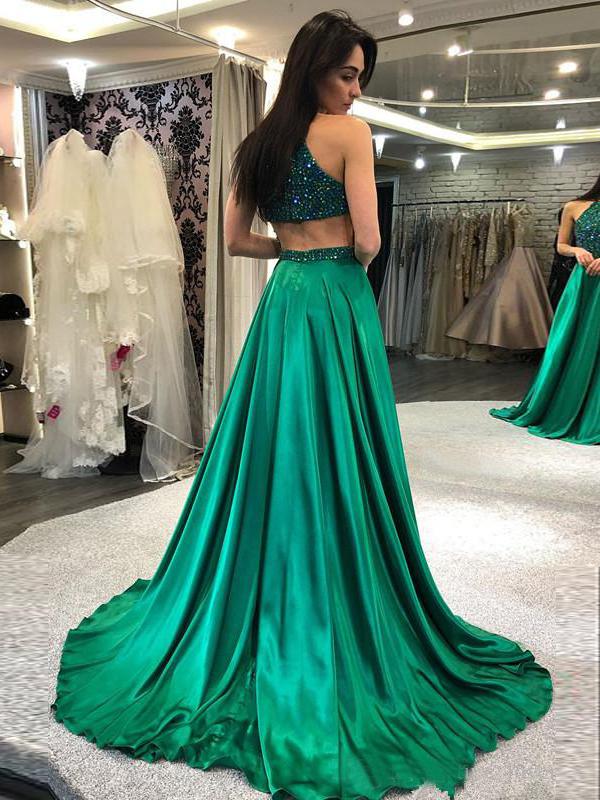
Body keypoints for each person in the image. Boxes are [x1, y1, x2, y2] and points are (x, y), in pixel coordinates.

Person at [51, 11, 552, 800]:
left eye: (360, 79)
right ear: (315, 67)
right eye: (347, 75)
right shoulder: (347, 134)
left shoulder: (258, 145)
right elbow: (369, 241)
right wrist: (334, 245)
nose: (355, 91)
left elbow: (235, 240)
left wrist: (292, 243)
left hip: (286, 300)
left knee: (272, 438)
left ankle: (261, 572)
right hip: (336, 297)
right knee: (343, 439)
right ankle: (341, 582)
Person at [490, 174, 600, 444]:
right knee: (572, 341)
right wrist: (576, 250)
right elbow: (561, 246)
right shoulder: (574, 206)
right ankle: (566, 405)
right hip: (584, 282)